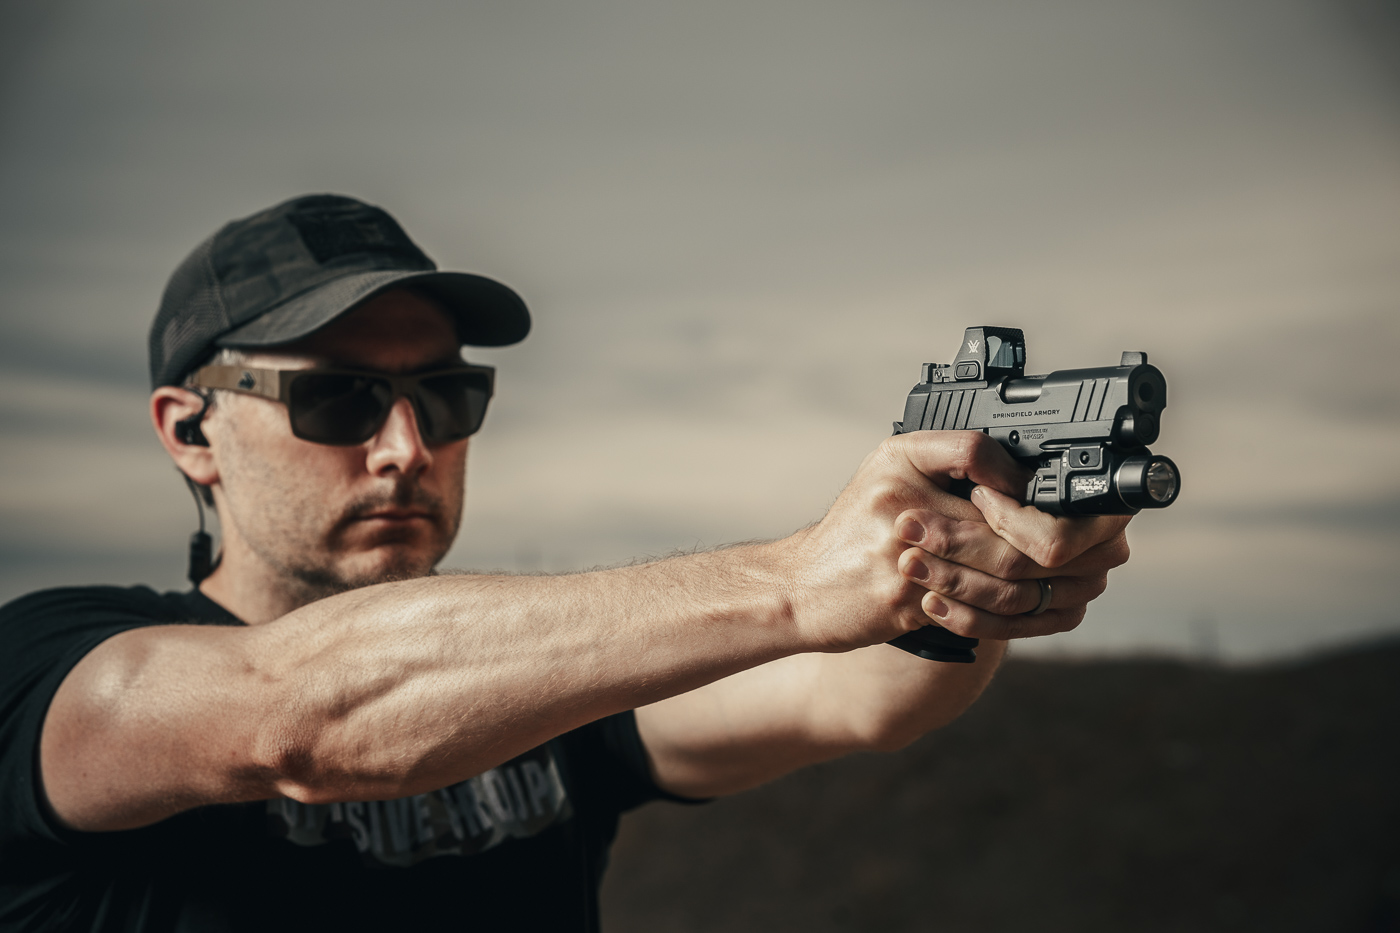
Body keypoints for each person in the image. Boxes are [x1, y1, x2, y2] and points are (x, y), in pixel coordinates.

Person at [0, 194, 1130, 931]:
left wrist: (958, 576)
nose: (406, 449)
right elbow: (299, 713)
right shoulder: (54, 667)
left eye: (447, 396)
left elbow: (854, 694)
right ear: (188, 431)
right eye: (335, 399)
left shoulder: (545, 689)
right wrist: (796, 578)